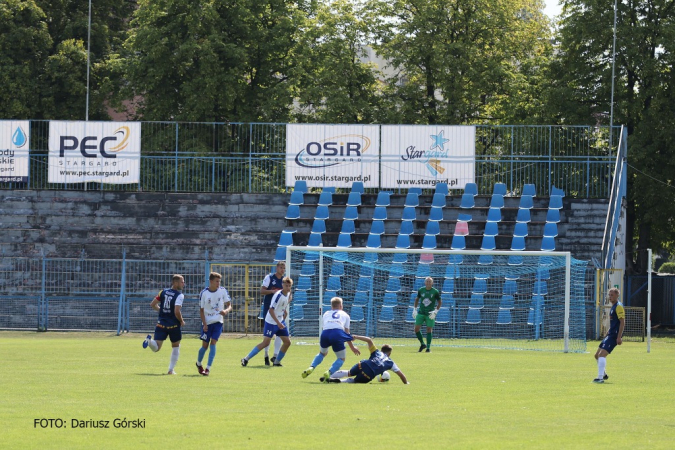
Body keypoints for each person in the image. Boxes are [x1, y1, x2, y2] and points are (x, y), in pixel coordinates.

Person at [301, 297, 361, 380]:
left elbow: (324, 327)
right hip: (337, 334)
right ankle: (329, 372)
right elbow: (347, 333)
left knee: (322, 353)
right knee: (341, 358)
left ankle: (311, 367)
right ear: (341, 306)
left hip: (325, 334)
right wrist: (352, 347)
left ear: (331, 306)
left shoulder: (326, 314)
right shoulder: (345, 315)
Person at [241, 277, 293, 367]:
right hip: (271, 321)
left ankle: (277, 361)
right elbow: (271, 310)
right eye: (286, 286)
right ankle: (246, 359)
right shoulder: (278, 296)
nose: (288, 288)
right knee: (266, 343)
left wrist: (284, 311)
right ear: (282, 285)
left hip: (280, 320)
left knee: (287, 342)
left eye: (289, 286)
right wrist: (278, 323)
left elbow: (286, 301)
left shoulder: (288, 294)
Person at [142, 274, 186, 375]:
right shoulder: (179, 295)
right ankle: (171, 370)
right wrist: (182, 321)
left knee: (156, 348)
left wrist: (162, 311)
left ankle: (149, 341)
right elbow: (177, 312)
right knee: (176, 346)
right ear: (175, 283)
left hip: (161, 324)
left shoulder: (163, 292)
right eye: (182, 282)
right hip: (174, 325)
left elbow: (153, 304)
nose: (183, 284)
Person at [322, 336, 409, 384]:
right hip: (369, 374)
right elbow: (401, 375)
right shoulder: (391, 363)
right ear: (389, 354)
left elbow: (369, 340)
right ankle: (339, 381)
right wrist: (406, 383)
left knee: (349, 373)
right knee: (355, 381)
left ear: (382, 350)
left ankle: (329, 376)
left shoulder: (376, 351)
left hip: (363, 364)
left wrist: (355, 336)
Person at [196, 272, 232, 376]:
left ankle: (208, 368)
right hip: (207, 323)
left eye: (219, 281)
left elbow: (229, 305)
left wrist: (226, 311)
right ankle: (198, 363)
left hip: (218, 322)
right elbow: (201, 310)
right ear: (211, 281)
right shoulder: (204, 293)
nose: (218, 283)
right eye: (216, 281)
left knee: (213, 342)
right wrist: (204, 324)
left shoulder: (222, 291)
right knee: (204, 346)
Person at [593, 287, 625, 383]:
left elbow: (622, 322)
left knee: (602, 355)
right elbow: (614, 323)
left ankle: (600, 378)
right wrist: (607, 333)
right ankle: (604, 374)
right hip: (610, 334)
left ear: (617, 295)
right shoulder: (613, 306)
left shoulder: (618, 306)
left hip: (614, 336)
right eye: (609, 295)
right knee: (596, 356)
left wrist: (619, 337)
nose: (610, 297)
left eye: (612, 295)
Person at [260, 261, 286, 365]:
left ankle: (275, 356)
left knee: (280, 332)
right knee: (268, 335)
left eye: (284, 268)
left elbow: (288, 294)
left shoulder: (284, 281)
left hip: (280, 311)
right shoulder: (270, 278)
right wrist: (272, 291)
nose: (282, 270)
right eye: (281, 267)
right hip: (269, 309)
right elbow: (262, 291)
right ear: (277, 268)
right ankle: (266, 355)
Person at [413, 276, 442, 352]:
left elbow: (439, 302)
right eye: (427, 281)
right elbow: (417, 299)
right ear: (425, 282)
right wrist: (415, 309)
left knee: (429, 329)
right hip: (421, 312)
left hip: (430, 313)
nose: (428, 283)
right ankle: (422, 344)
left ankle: (428, 348)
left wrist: (435, 311)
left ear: (432, 283)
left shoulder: (435, 291)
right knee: (416, 329)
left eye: (430, 281)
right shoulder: (421, 290)